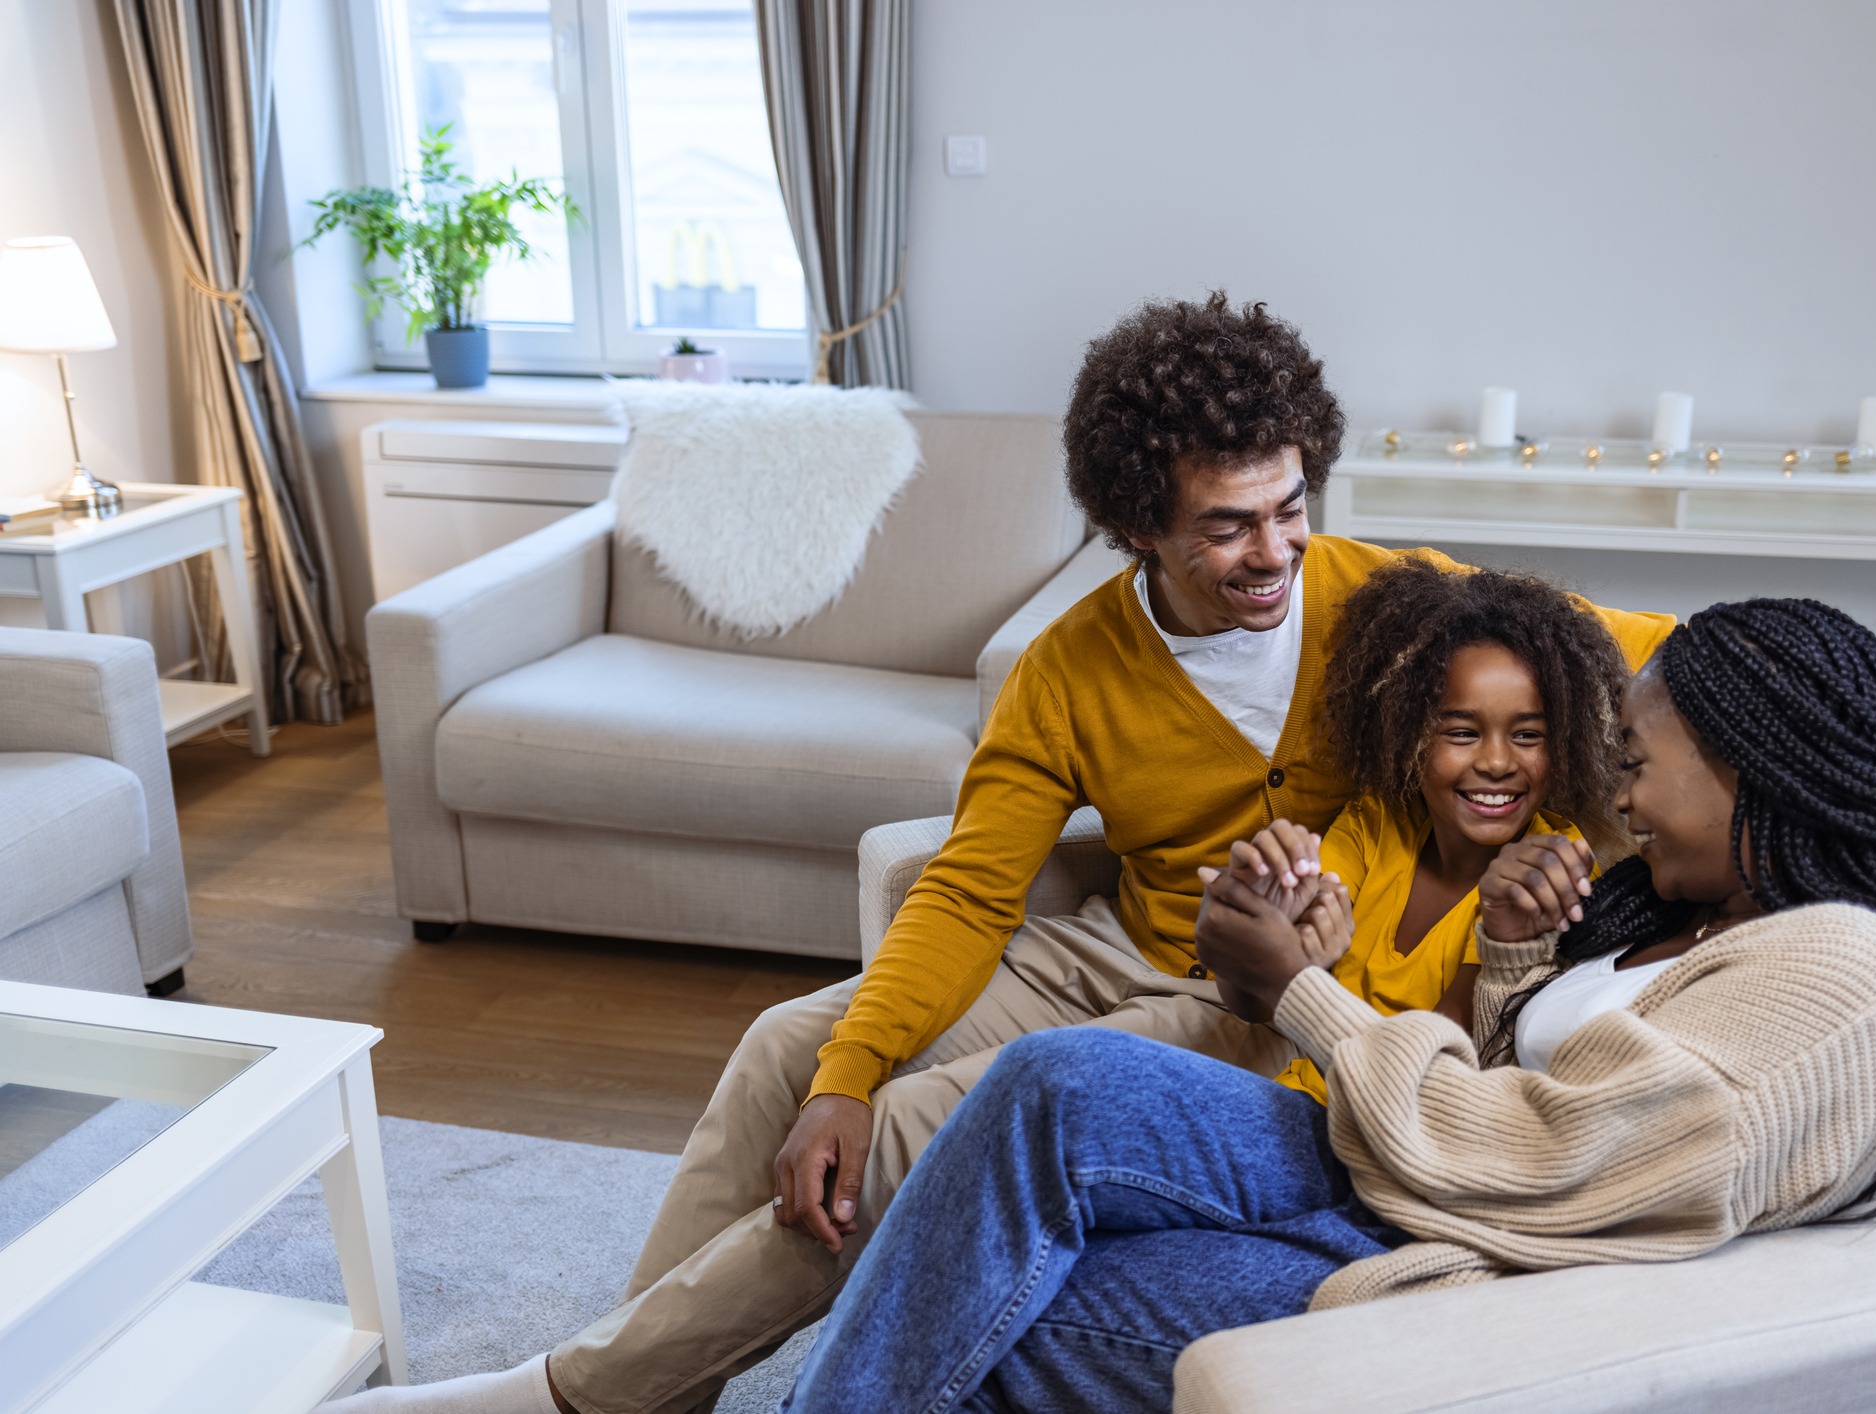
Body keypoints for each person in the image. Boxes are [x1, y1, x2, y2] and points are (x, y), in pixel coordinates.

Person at [331, 295, 1669, 1414]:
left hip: (1268, 989)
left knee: (910, 1134)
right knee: (787, 1058)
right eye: (1226, 524)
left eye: (1287, 506)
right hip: (1117, 948)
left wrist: (1825, 740)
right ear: (1137, 520)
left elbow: (1635, 648)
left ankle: (564, 1392)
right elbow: (972, 883)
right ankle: (649, 1389)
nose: (1272, 550)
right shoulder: (1072, 665)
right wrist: (848, 1067)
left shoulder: (1385, 598)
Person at [781, 597, 1876, 1414]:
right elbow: (1560, 1092)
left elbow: (1547, 1157)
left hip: (1477, 1258)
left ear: (1747, 769)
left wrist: (1298, 993)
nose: (1619, 794)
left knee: (1003, 1302)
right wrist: (1513, 955)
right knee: (1050, 1083)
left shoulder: (1841, 972)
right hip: (1417, 1170)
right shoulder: (1720, 902)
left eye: (1638, 764)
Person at [1224, 557, 1634, 1104]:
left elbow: (1441, 1063)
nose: (1496, 762)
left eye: (1529, 736)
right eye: (1462, 733)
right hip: (1290, 1096)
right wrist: (1252, 924)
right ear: (1409, 734)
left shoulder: (1550, 871)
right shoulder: (1375, 826)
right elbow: (1259, 997)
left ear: (1564, 748)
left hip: (1385, 1130)